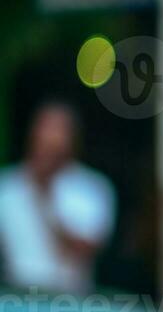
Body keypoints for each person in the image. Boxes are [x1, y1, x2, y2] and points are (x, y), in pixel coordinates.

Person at [0, 101, 116, 293]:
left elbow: (85, 250)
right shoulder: (7, 186)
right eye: (46, 127)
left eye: (59, 129)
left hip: (70, 302)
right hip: (15, 300)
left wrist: (45, 198)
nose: (51, 138)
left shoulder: (91, 188)